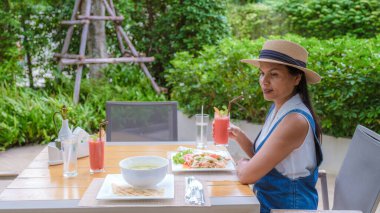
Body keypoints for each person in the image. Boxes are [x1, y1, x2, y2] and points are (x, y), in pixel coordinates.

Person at [229, 40, 323, 213]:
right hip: (265, 202)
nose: (264, 81)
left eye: (274, 75)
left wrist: (242, 164)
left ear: (296, 78)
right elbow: (268, 160)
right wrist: (239, 136)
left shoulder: (295, 120)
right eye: (262, 73)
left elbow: (246, 175)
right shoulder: (279, 107)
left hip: (286, 209)